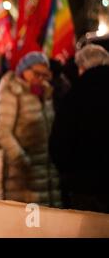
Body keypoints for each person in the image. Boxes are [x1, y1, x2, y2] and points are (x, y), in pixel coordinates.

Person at [0, 52, 61, 207]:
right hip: (23, 176)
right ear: (24, 70)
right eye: (37, 74)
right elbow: (2, 131)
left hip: (46, 169)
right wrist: (22, 160)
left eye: (45, 75)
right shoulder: (12, 92)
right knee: (28, 224)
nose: (41, 79)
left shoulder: (45, 92)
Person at [50, 44, 109, 213]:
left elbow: (58, 143)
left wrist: (68, 174)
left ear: (81, 67)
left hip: (84, 186)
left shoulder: (75, 96)